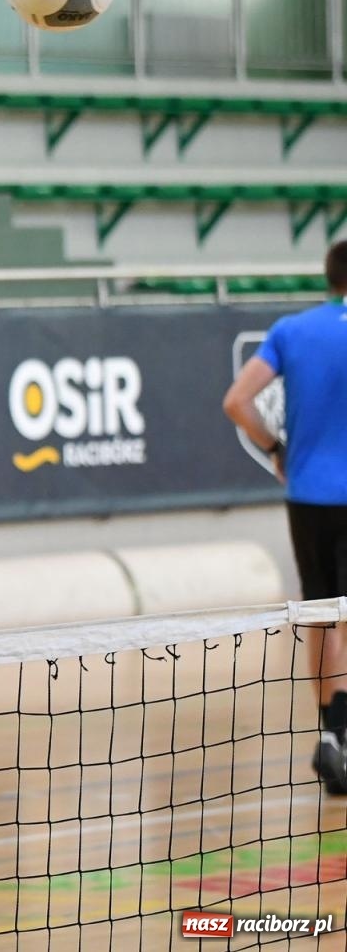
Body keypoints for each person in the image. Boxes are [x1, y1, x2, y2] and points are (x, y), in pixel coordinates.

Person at [223, 239, 347, 797]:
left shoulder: (291, 331)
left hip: (309, 496)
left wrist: (275, 449)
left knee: (321, 614)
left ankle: (332, 733)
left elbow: (237, 401)